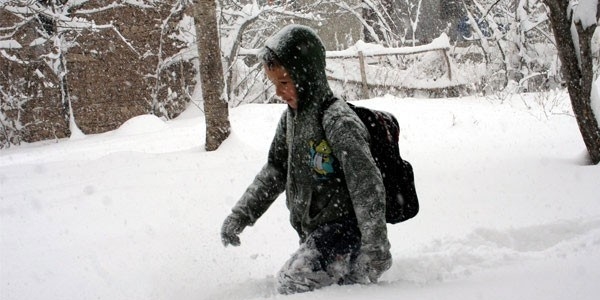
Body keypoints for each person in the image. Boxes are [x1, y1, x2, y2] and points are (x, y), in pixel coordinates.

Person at [220, 24, 391, 294]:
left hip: (346, 232)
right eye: (274, 83)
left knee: (294, 282)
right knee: (320, 286)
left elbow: (367, 186)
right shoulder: (291, 119)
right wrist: (242, 214)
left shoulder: (337, 120)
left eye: (284, 82)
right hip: (316, 233)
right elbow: (275, 170)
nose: (278, 92)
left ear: (307, 75)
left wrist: (376, 246)